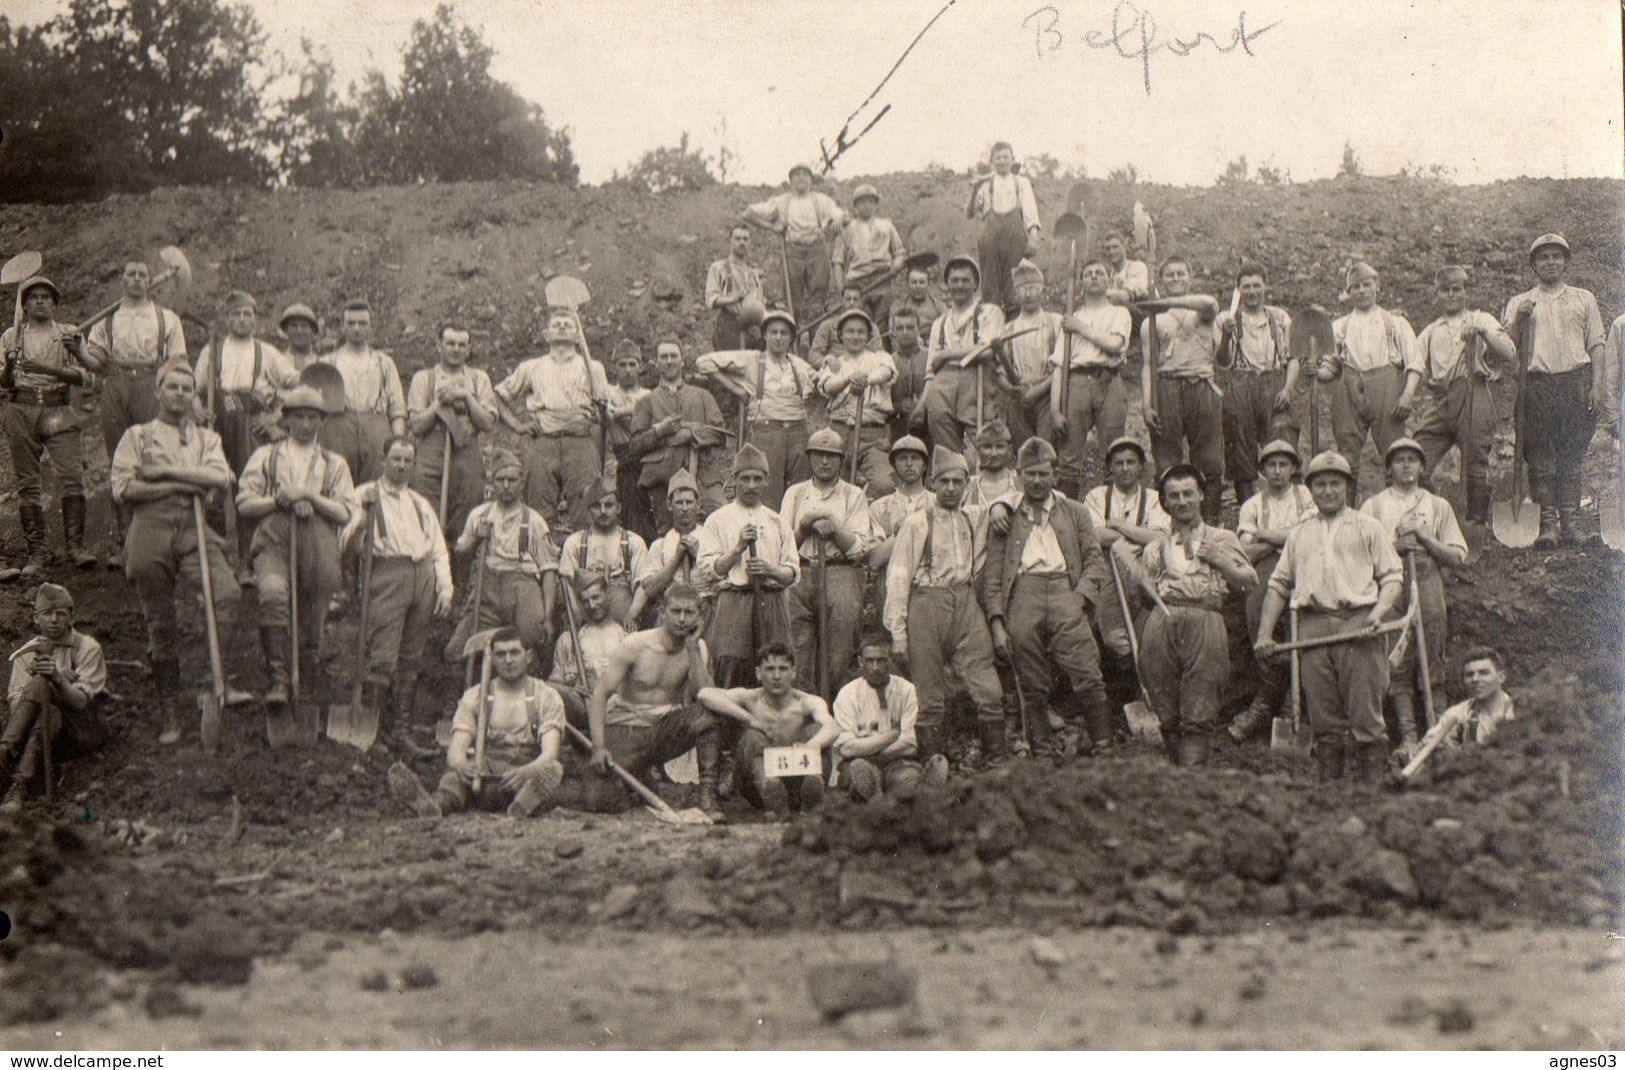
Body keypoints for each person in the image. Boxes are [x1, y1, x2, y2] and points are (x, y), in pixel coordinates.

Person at [110, 360, 245, 744]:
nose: (182, 395)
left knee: (228, 594)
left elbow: (220, 478)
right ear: (158, 392)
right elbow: (124, 489)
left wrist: (161, 473)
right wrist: (180, 484)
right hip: (149, 526)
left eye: (189, 389)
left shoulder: (206, 438)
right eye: (174, 387)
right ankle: (169, 706)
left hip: (193, 523)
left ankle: (212, 682)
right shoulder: (138, 436)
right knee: (160, 621)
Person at [1255, 451, 1404, 783]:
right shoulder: (1300, 534)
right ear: (1311, 489)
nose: (1327, 491)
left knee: (1366, 717)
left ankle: (1371, 795)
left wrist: (1376, 616)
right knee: (1324, 720)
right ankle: (1329, 798)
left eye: (1335, 483)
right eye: (1320, 484)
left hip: (1358, 624)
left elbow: (1393, 576)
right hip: (1313, 628)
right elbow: (1279, 585)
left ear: (1347, 487)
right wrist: (1265, 633)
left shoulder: (1368, 526)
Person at [983, 437, 1114, 755]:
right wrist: (997, 620)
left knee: (1085, 665)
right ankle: (1040, 744)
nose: (1037, 481)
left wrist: (1080, 598)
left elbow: (1095, 561)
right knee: (1028, 670)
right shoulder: (1006, 516)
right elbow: (993, 575)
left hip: (1063, 590)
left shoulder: (1076, 512)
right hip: (1023, 593)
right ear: (1019, 476)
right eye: (1030, 474)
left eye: (1044, 474)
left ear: (1055, 475)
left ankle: (1103, 742)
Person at [235, 386, 355, 708]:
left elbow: (345, 512)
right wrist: (278, 500)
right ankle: (278, 678)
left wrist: (310, 497)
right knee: (273, 595)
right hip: (274, 539)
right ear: (285, 419)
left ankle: (309, 669)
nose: (305, 424)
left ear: (322, 421)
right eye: (298, 416)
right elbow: (244, 503)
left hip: (319, 543)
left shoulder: (334, 463)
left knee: (314, 608)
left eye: (312, 417)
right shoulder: (266, 456)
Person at [885, 446, 1006, 762]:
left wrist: (998, 509)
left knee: (987, 683)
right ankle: (931, 761)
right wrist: (897, 632)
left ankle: (996, 756)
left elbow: (1010, 500)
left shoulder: (973, 517)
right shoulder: (917, 523)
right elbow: (897, 579)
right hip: (926, 603)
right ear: (933, 483)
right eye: (944, 482)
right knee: (929, 694)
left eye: (958, 482)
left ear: (967, 484)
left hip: (965, 602)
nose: (951, 488)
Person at [1136, 465, 1258, 765]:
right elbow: (1141, 596)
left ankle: (1193, 777)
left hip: (1206, 620)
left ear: (1201, 495)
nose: (1182, 501)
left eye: (1188, 493)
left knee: (1199, 708)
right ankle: (1178, 785)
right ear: (1165, 502)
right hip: (1163, 622)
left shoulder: (1223, 538)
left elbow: (1249, 581)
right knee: (1166, 708)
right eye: (1173, 496)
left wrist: (1220, 560)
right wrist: (1146, 585)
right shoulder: (1154, 547)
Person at [343, 436, 454, 745]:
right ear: (383, 460)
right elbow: (347, 545)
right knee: (383, 655)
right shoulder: (362, 496)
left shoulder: (419, 503)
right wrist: (363, 520)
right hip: (386, 575)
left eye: (408, 460)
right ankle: (373, 732)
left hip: (422, 578)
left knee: (411, 657)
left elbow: (438, 549)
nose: (402, 465)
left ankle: (400, 731)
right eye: (396, 459)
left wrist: (445, 589)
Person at [388, 628, 567, 819]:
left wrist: (525, 772)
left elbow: (550, 753)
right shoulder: (476, 696)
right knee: (452, 779)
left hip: (522, 772)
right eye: (500, 654)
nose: (508, 660)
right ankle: (434, 805)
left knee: (549, 772)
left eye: (514, 652)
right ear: (492, 658)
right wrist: (461, 765)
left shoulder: (545, 696)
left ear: (528, 656)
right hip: (482, 775)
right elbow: (456, 748)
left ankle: (521, 806)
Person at [1360, 437, 1468, 754]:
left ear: (1422, 466)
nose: (1406, 465)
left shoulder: (1437, 506)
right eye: (1399, 460)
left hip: (1428, 577)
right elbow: (1358, 555)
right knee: (1397, 658)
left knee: (1432, 654)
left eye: (1412, 459)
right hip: (1389, 582)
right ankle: (1407, 736)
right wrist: (1394, 546)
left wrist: (1423, 538)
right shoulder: (1374, 506)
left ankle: (1440, 733)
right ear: (1389, 467)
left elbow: (1457, 555)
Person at [585, 582, 725, 819]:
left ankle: (707, 794)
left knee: (711, 715)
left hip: (664, 730)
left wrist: (692, 649)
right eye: (675, 611)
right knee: (598, 800)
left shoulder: (696, 647)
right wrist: (598, 747)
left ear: (699, 617)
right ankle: (638, 775)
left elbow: (707, 697)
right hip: (626, 729)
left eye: (689, 612)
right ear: (662, 612)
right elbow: (599, 694)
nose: (681, 619)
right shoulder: (636, 644)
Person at [1503, 233, 1608, 547]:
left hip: (1575, 384)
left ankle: (1571, 523)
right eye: (1543, 257)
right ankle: (1547, 525)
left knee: (1571, 457)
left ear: (1566, 262)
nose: (1551, 262)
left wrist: (1596, 386)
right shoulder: (1521, 302)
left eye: (1556, 256)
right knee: (1540, 459)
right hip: (1538, 386)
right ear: (1534, 264)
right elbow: (1506, 347)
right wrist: (1517, 321)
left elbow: (1597, 345)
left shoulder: (1583, 298)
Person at [87, 258, 188, 570]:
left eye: (142, 275)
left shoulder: (166, 318)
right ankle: (126, 543)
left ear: (150, 281)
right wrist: (77, 349)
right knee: (120, 460)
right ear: (122, 279)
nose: (137, 279)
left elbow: (178, 361)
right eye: (130, 274)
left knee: (152, 457)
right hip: (115, 385)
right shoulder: (107, 320)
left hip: (150, 384)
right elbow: (95, 360)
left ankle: (158, 542)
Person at [2, 276, 102, 574]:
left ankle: (75, 547)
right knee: (27, 483)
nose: (41, 301)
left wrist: (73, 354)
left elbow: (87, 377)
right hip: (22, 407)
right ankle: (37, 553)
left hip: (58, 407)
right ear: (25, 305)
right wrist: (9, 364)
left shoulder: (69, 334)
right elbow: (4, 382)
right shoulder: (11, 336)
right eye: (34, 297)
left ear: (55, 304)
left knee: (71, 474)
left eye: (47, 297)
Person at [1410, 266, 1514, 535]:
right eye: (1446, 290)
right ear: (1438, 294)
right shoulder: (1431, 331)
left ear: (1466, 291)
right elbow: (1411, 363)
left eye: (1457, 289)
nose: (1452, 295)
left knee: (1474, 462)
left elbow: (1509, 353)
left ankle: (1475, 526)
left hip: (1474, 392)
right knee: (1414, 457)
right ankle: (1436, 516)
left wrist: (1482, 333)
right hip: (1443, 399)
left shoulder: (1482, 319)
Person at [1227, 439, 1315, 742]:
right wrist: (1285, 537)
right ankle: (1268, 705)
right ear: (1263, 470)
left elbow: (1310, 538)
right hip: (1262, 574)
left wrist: (1263, 537)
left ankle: (1287, 705)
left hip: (1305, 571)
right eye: (1271, 465)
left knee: (1304, 634)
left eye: (1283, 465)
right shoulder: (1252, 505)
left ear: (1293, 468)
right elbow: (1244, 554)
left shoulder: (1307, 496)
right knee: (1261, 631)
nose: (1277, 471)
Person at [496, 309, 611, 534]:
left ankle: (582, 562)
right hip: (544, 441)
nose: (561, 327)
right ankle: (539, 564)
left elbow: (605, 410)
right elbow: (499, 395)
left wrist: (599, 414)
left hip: (580, 442)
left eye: (567, 325)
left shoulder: (593, 367)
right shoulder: (532, 367)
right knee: (537, 509)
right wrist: (518, 425)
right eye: (556, 324)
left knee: (587, 508)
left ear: (578, 336)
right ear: (546, 334)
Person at [695, 444, 798, 689]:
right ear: (734, 480)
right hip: (734, 602)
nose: (751, 485)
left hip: (771, 602)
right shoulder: (718, 520)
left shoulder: (777, 521)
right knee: (730, 667)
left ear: (766, 481)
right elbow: (710, 570)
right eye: (745, 479)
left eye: (757, 479)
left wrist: (769, 570)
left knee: (775, 668)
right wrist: (738, 548)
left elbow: (792, 572)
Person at [1318, 263, 1422, 500]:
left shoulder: (1394, 323)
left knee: (1393, 453)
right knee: (1347, 455)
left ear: (1377, 286)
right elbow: (1330, 368)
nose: (1362, 291)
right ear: (1348, 292)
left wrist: (1407, 395)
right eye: (1355, 287)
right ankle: (1344, 515)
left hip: (1385, 385)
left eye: (1367, 285)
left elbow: (1414, 363)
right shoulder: (1339, 327)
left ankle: (1396, 512)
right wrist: (1315, 370)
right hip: (1349, 386)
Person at [782, 429, 874, 697]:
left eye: (831, 457)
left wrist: (833, 526)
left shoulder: (853, 495)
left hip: (839, 571)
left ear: (841, 460)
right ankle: (803, 712)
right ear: (810, 458)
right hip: (801, 571)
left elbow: (858, 549)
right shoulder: (795, 494)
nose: (824, 462)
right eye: (819, 455)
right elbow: (784, 546)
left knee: (839, 649)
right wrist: (805, 524)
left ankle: (833, 706)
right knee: (797, 648)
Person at [697, 643, 838, 816]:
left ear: (793, 672)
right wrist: (750, 719)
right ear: (758, 673)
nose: (777, 676)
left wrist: (809, 746)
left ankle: (810, 797)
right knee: (752, 736)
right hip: (759, 786)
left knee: (816, 730)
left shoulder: (807, 702)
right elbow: (705, 694)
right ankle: (773, 796)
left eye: (783, 669)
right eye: (770, 669)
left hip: (800, 780)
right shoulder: (751, 699)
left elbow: (832, 727)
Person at [696, 310, 816, 510]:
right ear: (765, 335)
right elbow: (704, 363)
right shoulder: (752, 359)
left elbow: (821, 379)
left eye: (784, 333)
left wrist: (829, 363)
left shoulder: (799, 365)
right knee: (768, 495)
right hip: (767, 432)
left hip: (798, 433)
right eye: (773, 332)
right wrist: (736, 388)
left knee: (800, 496)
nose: (778, 337)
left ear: (791, 337)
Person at [0, 584, 106, 810]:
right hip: (46, 734)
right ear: (36, 618)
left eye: (61, 613)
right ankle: (18, 784)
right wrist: (42, 691)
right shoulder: (28, 652)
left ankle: (4, 754)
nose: (54, 620)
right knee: (50, 710)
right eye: (47, 614)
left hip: (82, 731)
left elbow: (81, 701)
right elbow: (17, 707)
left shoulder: (87, 648)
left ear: (72, 616)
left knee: (43, 684)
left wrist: (56, 680)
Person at [446, 449, 557, 660]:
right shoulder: (480, 515)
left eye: (512, 480)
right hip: (488, 589)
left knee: (532, 642)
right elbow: (459, 553)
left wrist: (548, 617)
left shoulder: (534, 521)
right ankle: (472, 687)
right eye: (500, 480)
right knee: (457, 650)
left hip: (522, 587)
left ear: (521, 483)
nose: (506, 486)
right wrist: (474, 539)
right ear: (492, 483)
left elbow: (549, 571)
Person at [1141, 258, 1226, 521]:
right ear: (1161, 281)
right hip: (1167, 387)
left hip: (1201, 386)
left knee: (1209, 457)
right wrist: (1146, 404)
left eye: (1181, 274)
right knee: (1167, 457)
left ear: (1189, 278)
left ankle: (1209, 520)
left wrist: (1166, 303)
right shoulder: (1152, 321)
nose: (1176, 279)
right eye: (1169, 275)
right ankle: (1170, 521)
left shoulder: (1201, 311)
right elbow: (1147, 365)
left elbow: (1210, 304)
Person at [1082, 437, 1170, 672]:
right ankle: (1124, 686)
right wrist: (1139, 534)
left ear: (1141, 466)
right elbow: (1096, 537)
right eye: (1118, 463)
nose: (1125, 468)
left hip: (1144, 571)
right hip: (1107, 571)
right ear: (1110, 467)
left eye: (1131, 462)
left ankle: (1144, 686)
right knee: (1114, 639)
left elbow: (1160, 538)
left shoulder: (1153, 498)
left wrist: (1119, 525)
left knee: (1145, 634)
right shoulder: (1097, 496)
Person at [1216, 265, 1300, 506]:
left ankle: (1288, 506)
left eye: (1256, 285)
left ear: (1265, 286)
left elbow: (1292, 358)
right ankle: (1248, 510)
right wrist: (1225, 335)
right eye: (1246, 286)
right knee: (1240, 448)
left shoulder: (1280, 317)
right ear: (1239, 290)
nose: (1252, 291)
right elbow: (1222, 361)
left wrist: (1287, 388)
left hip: (1273, 382)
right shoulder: (1229, 319)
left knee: (1282, 442)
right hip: (1241, 384)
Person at [1051, 258, 1134, 498]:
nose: (1094, 276)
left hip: (1109, 380)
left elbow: (1114, 344)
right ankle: (1068, 515)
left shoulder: (1119, 313)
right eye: (1089, 274)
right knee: (1069, 457)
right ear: (1081, 282)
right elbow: (1059, 365)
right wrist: (1056, 409)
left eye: (1100, 272)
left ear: (1109, 280)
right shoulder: (1071, 317)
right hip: (1077, 382)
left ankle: (1114, 514)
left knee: (1114, 450)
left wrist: (1080, 328)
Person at [406, 325, 498, 539]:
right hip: (430, 454)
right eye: (450, 343)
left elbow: (487, 424)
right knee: (425, 517)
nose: (456, 349)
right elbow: (417, 426)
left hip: (466, 454)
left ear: (468, 348)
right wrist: (439, 402)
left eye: (461, 345)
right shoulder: (423, 378)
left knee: (465, 520)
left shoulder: (479, 379)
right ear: (439, 345)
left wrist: (466, 396)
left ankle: (459, 570)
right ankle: (431, 571)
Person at [830, 632, 945, 801]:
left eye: (881, 660)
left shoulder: (906, 690)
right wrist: (892, 735)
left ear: (890, 660)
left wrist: (868, 748)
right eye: (870, 661)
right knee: (858, 777)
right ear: (861, 662)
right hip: (860, 764)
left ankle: (921, 791)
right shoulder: (848, 694)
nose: (875, 667)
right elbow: (847, 748)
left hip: (898, 762)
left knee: (907, 781)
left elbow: (909, 745)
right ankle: (879, 798)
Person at [628, 340, 728, 528]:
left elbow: (720, 434)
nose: (669, 361)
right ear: (656, 363)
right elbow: (634, 446)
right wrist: (659, 431)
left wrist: (691, 434)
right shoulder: (646, 402)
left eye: (674, 356)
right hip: (663, 481)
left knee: (720, 522)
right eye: (664, 357)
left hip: (703, 477)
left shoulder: (702, 396)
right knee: (668, 535)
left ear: (682, 361)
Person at [923, 256, 1006, 457]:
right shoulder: (940, 323)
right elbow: (931, 368)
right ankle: (955, 480)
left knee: (985, 441)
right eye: (954, 280)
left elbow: (987, 350)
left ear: (975, 284)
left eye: (965, 280)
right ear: (947, 284)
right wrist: (923, 403)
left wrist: (947, 354)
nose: (959, 285)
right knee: (946, 447)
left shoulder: (988, 313)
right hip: (942, 386)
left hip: (975, 378)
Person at [320, 298, 407, 485]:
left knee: (375, 488)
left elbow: (397, 408)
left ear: (371, 327)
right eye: (351, 323)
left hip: (376, 427)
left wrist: (398, 442)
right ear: (343, 326)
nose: (357, 328)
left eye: (362, 323)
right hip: (339, 428)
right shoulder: (328, 362)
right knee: (336, 483)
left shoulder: (384, 363)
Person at [745, 164, 846, 321]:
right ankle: (793, 341)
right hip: (792, 252)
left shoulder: (821, 200)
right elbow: (749, 213)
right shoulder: (781, 202)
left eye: (805, 175)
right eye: (796, 175)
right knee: (793, 303)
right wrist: (772, 227)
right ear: (790, 181)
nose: (801, 178)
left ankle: (816, 342)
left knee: (817, 301)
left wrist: (839, 218)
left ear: (811, 181)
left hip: (817, 250)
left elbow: (842, 216)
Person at [282, 304, 366, 484]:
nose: (299, 331)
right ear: (285, 330)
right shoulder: (274, 359)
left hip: (316, 429)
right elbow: (267, 393)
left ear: (314, 332)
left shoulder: (325, 364)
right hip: (281, 425)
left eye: (304, 327)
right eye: (294, 326)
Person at [818, 309, 898, 498]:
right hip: (839, 432)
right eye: (850, 331)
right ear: (840, 335)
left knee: (884, 485)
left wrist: (866, 380)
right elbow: (828, 386)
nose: (855, 336)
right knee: (833, 488)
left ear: (869, 336)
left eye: (861, 332)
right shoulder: (833, 363)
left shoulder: (879, 357)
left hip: (872, 434)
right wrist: (848, 379)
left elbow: (886, 373)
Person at [628, 470, 714, 629]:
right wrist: (676, 558)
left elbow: (722, 579)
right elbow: (650, 587)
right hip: (673, 613)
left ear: (698, 505)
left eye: (689, 502)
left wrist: (699, 555)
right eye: (679, 503)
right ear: (669, 505)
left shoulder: (711, 538)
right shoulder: (660, 545)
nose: (685, 508)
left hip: (705, 610)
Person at [558, 477, 649, 626]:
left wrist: (632, 614)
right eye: (596, 506)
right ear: (588, 509)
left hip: (623, 621)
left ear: (618, 508)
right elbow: (566, 584)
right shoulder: (575, 543)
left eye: (608, 505)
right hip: (587, 618)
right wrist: (576, 615)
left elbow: (644, 585)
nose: (603, 511)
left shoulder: (633, 542)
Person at [965, 143, 1040, 313]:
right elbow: (969, 213)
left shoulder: (1021, 182)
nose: (1002, 161)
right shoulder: (985, 184)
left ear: (1012, 159)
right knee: (990, 285)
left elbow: (1030, 212)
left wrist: (1034, 238)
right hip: (991, 239)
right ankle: (992, 326)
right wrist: (974, 191)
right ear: (992, 161)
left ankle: (1014, 323)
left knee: (1014, 284)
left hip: (1015, 238)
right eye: (998, 157)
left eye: (1006, 157)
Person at [552, 569, 629, 714]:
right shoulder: (568, 641)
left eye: (596, 597)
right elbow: (554, 683)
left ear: (608, 594)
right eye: (585, 601)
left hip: (619, 710)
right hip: (582, 710)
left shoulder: (626, 638)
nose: (592, 605)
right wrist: (570, 691)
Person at [1004, 259, 1064, 444]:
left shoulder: (1055, 322)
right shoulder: (1009, 329)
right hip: (1019, 397)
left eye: (1033, 287)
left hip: (1047, 392)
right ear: (1016, 293)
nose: (1028, 293)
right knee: (1024, 453)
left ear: (1041, 290)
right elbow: (1000, 369)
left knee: (1046, 451)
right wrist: (1012, 388)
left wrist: (1038, 391)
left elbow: (1062, 364)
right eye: (1023, 289)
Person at [831, 184, 907, 328]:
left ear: (875, 204)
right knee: (860, 322)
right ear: (855, 206)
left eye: (870, 202)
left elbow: (899, 252)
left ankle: (882, 349)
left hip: (883, 279)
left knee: (882, 323)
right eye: (862, 202)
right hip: (857, 282)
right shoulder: (847, 230)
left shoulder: (887, 226)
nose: (867, 205)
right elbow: (837, 262)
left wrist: (896, 264)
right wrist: (842, 291)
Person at [1414, 646, 1516, 752]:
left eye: (1484, 673)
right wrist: (1439, 745)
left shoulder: (1517, 712)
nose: (1475, 679)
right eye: (1469, 675)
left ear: (1501, 677)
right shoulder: (1460, 712)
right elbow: (1431, 739)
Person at [606, 341, 654, 540]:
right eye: (622, 364)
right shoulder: (608, 392)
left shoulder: (649, 395)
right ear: (614, 368)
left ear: (640, 367)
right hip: (619, 457)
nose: (627, 370)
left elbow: (653, 419)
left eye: (632, 364)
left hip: (646, 455)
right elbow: (605, 413)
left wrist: (620, 412)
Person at [867, 435, 933, 575]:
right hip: (890, 584)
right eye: (903, 458)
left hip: (928, 587)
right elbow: (874, 560)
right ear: (894, 465)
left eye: (915, 458)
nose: (909, 463)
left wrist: (911, 524)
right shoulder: (879, 507)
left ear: (925, 464)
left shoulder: (936, 503)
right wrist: (901, 533)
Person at [705, 222, 767, 351]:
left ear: (750, 242)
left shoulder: (752, 273)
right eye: (737, 239)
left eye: (745, 239)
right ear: (730, 241)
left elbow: (761, 303)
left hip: (753, 329)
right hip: (729, 326)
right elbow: (711, 299)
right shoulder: (718, 267)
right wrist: (734, 298)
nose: (742, 242)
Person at [888, 306, 929, 437]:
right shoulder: (888, 362)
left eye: (910, 327)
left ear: (918, 330)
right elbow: (880, 401)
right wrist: (898, 406)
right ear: (893, 332)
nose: (905, 332)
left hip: (928, 424)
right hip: (898, 426)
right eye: (900, 328)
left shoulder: (930, 358)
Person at [808, 282, 872, 363]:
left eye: (855, 299)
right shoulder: (827, 325)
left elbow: (878, 353)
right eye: (848, 299)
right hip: (835, 370)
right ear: (842, 301)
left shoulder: (870, 327)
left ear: (861, 303)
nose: (851, 303)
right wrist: (826, 361)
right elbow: (814, 354)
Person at [962, 420, 1020, 508]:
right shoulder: (967, 489)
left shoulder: (1020, 485)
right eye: (987, 447)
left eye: (1000, 447)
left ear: (1009, 450)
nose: (994, 453)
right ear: (978, 451)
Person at [895, 265, 946, 339]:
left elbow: (946, 333)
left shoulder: (939, 306)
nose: (918, 286)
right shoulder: (898, 306)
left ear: (928, 284)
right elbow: (893, 334)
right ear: (907, 284)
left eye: (922, 282)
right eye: (914, 282)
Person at [1102, 232, 1151, 304]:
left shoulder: (1137, 267)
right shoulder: (1110, 276)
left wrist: (1097, 293)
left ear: (1124, 248)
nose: (1111, 251)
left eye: (1115, 247)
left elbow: (1126, 296)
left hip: (1142, 311)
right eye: (1108, 249)